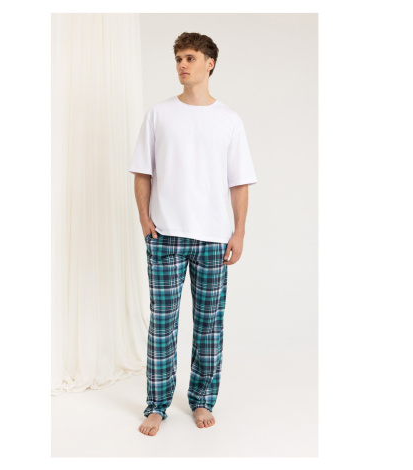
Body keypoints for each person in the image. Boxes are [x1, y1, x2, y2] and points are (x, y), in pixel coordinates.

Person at [128, 32, 257, 436]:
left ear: (209, 63)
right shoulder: (159, 114)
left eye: (190, 58)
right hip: (165, 236)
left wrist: (239, 232)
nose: (182, 65)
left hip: (214, 238)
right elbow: (142, 171)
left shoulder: (229, 120)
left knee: (209, 327)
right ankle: (157, 406)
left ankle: (202, 399)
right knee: (162, 326)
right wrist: (144, 219)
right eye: (178, 59)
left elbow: (239, 181)